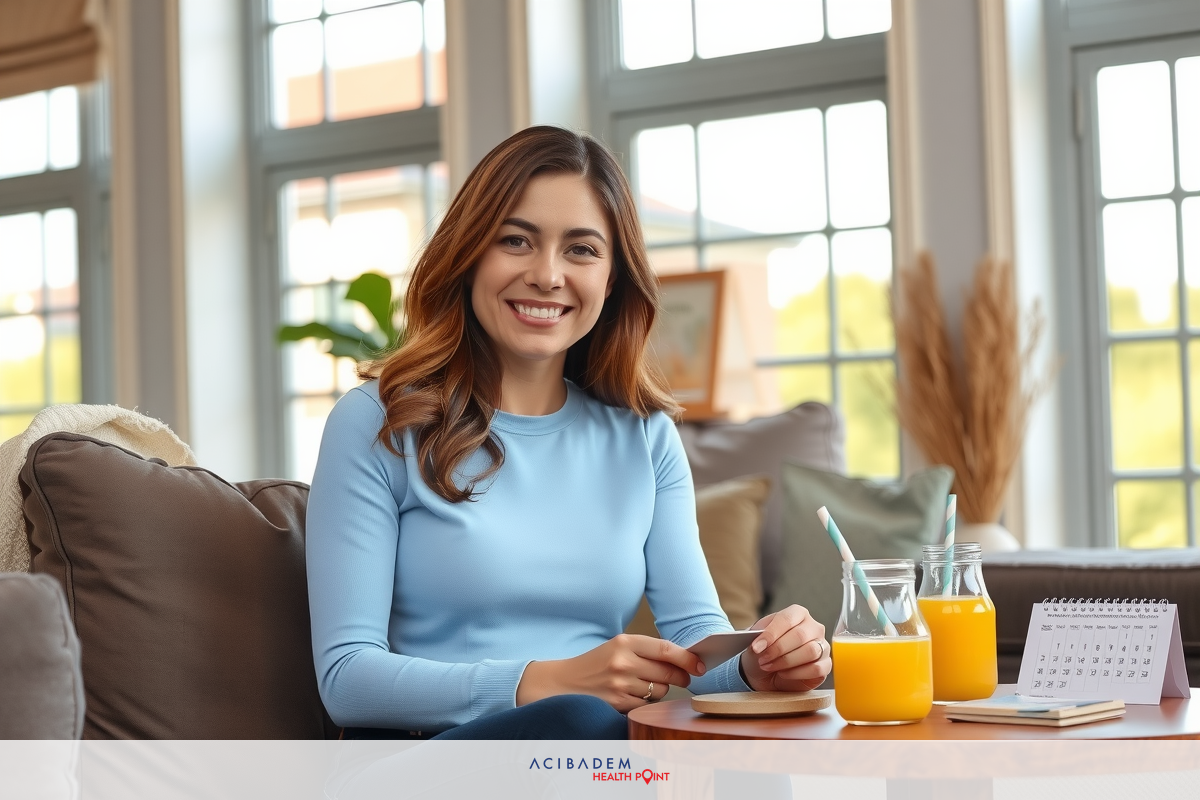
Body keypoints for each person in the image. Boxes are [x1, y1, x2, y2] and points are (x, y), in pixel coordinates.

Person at [305, 126, 831, 740]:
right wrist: (543, 682)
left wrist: (757, 666)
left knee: (759, 749)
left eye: (581, 249)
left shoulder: (645, 437)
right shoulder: (379, 421)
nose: (548, 275)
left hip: (591, 758)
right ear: (470, 254)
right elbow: (346, 680)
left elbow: (694, 644)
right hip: (427, 761)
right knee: (587, 722)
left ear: (611, 280)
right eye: (516, 240)